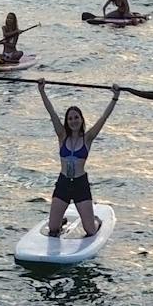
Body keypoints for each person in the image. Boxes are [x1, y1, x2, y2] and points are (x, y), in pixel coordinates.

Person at [36, 81, 119, 240]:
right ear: (67, 122)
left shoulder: (88, 138)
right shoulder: (62, 136)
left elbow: (104, 117)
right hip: (63, 183)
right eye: (70, 118)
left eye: (76, 117)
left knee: (90, 231)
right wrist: (42, 91)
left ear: (81, 119)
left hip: (80, 184)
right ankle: (61, 221)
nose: (73, 121)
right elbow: (51, 112)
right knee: (53, 228)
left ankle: (94, 220)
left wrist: (114, 98)